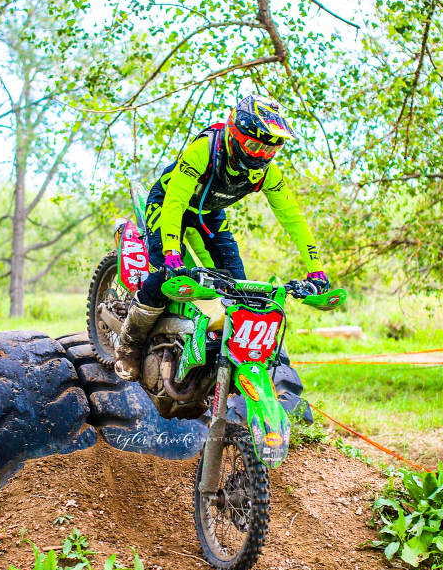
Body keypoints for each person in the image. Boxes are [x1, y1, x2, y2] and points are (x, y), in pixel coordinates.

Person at [114, 92, 329, 381]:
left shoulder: (269, 173)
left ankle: (215, 352)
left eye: (269, 151)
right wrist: (172, 253)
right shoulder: (205, 149)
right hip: (167, 203)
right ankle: (130, 344)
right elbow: (175, 201)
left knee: (241, 292)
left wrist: (315, 269)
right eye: (253, 145)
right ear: (235, 134)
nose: (259, 155)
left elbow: (293, 219)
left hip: (209, 214)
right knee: (167, 273)